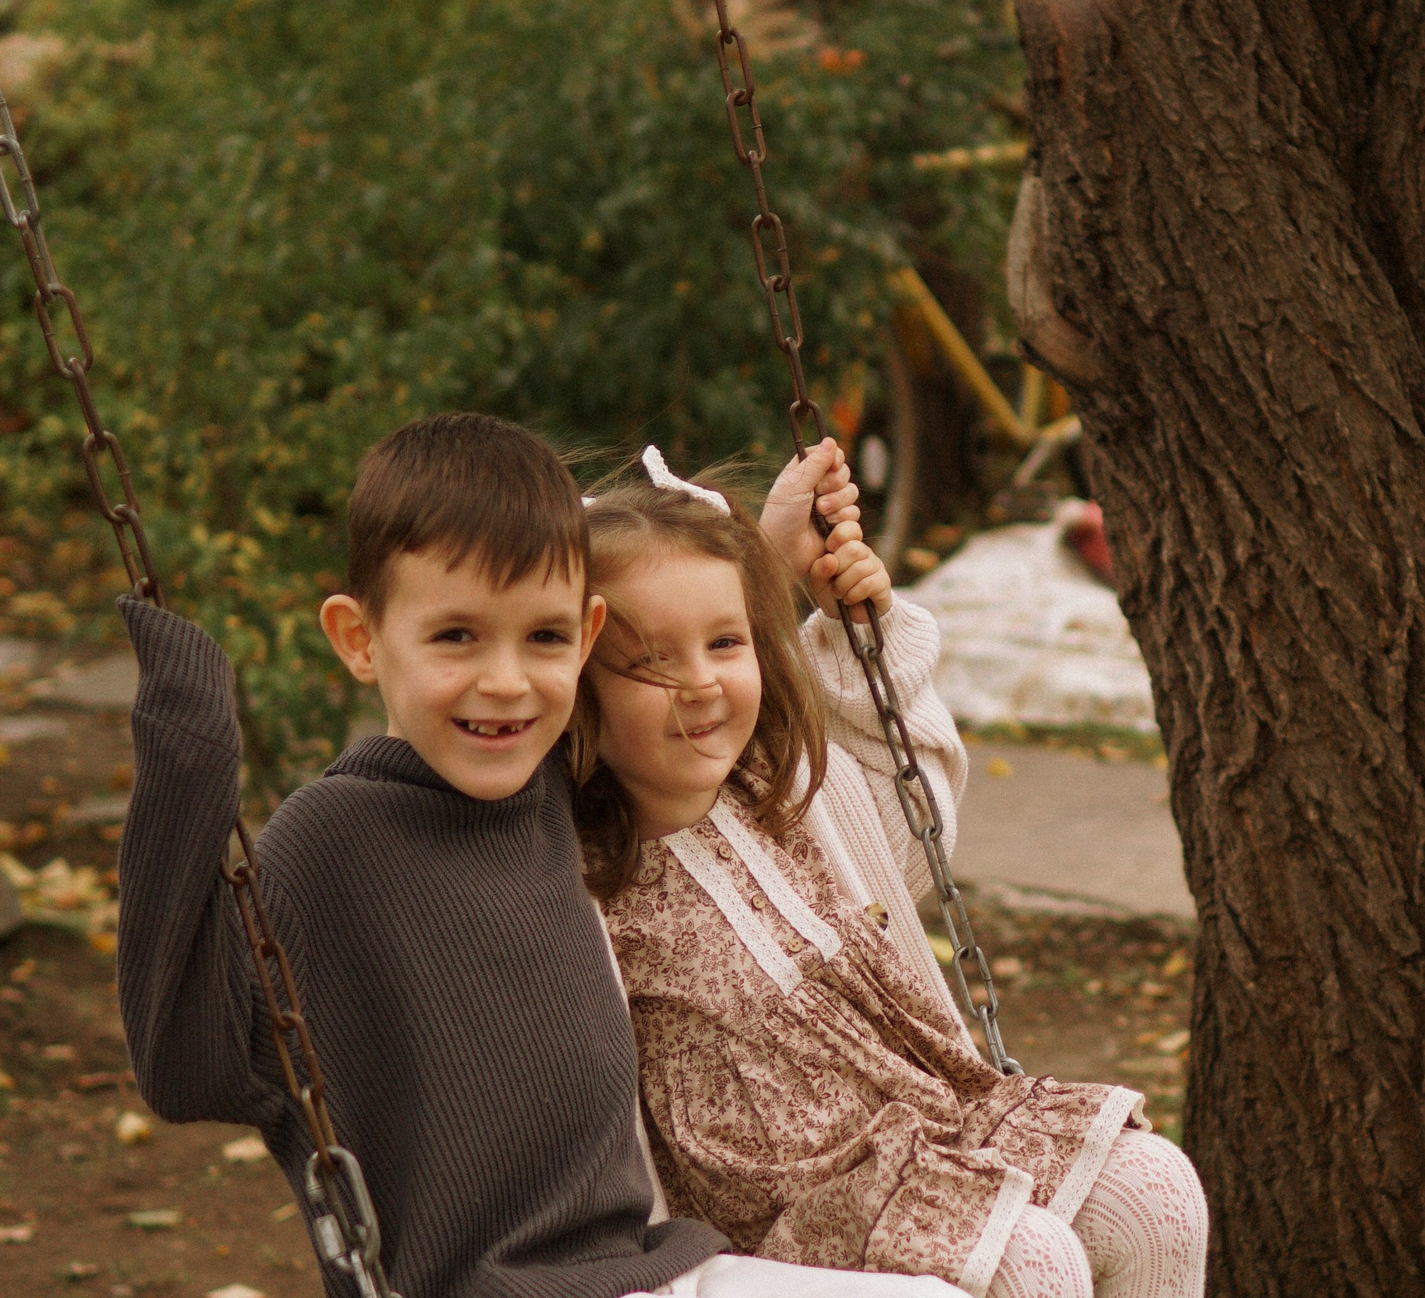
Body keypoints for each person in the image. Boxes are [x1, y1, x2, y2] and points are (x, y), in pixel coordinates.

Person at [114, 411, 963, 1298]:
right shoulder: (327, 843)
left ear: (588, 635)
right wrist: (186, 763)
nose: (508, 681)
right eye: (456, 636)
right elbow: (184, 1066)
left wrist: (764, 562)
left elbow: (682, 673)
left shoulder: (562, 786)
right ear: (360, 639)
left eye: (546, 638)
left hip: (648, 1265)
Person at [567, 452, 1208, 1298]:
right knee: (1034, 1264)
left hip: (925, 1126)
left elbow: (914, 843)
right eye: (648, 663)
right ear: (575, 685)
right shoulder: (579, 866)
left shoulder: (780, 783)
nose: (700, 683)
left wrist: (846, 619)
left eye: (726, 644)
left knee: (1160, 1192)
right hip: (786, 1212)